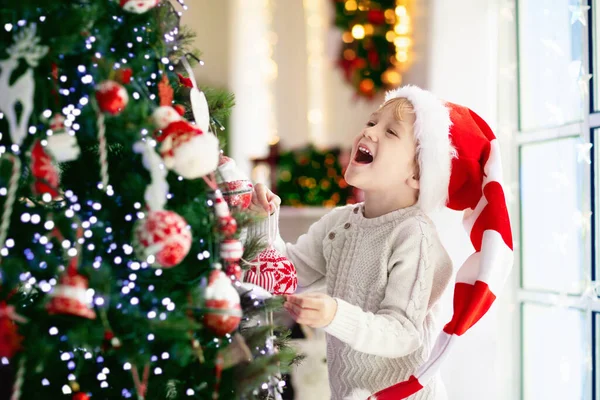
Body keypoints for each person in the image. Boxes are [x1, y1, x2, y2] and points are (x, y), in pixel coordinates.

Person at [247, 85, 513, 400]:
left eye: (390, 132)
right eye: (372, 122)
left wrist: (335, 315)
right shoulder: (340, 223)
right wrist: (261, 219)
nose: (370, 132)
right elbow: (283, 275)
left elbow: (403, 334)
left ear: (418, 174)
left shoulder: (415, 236)